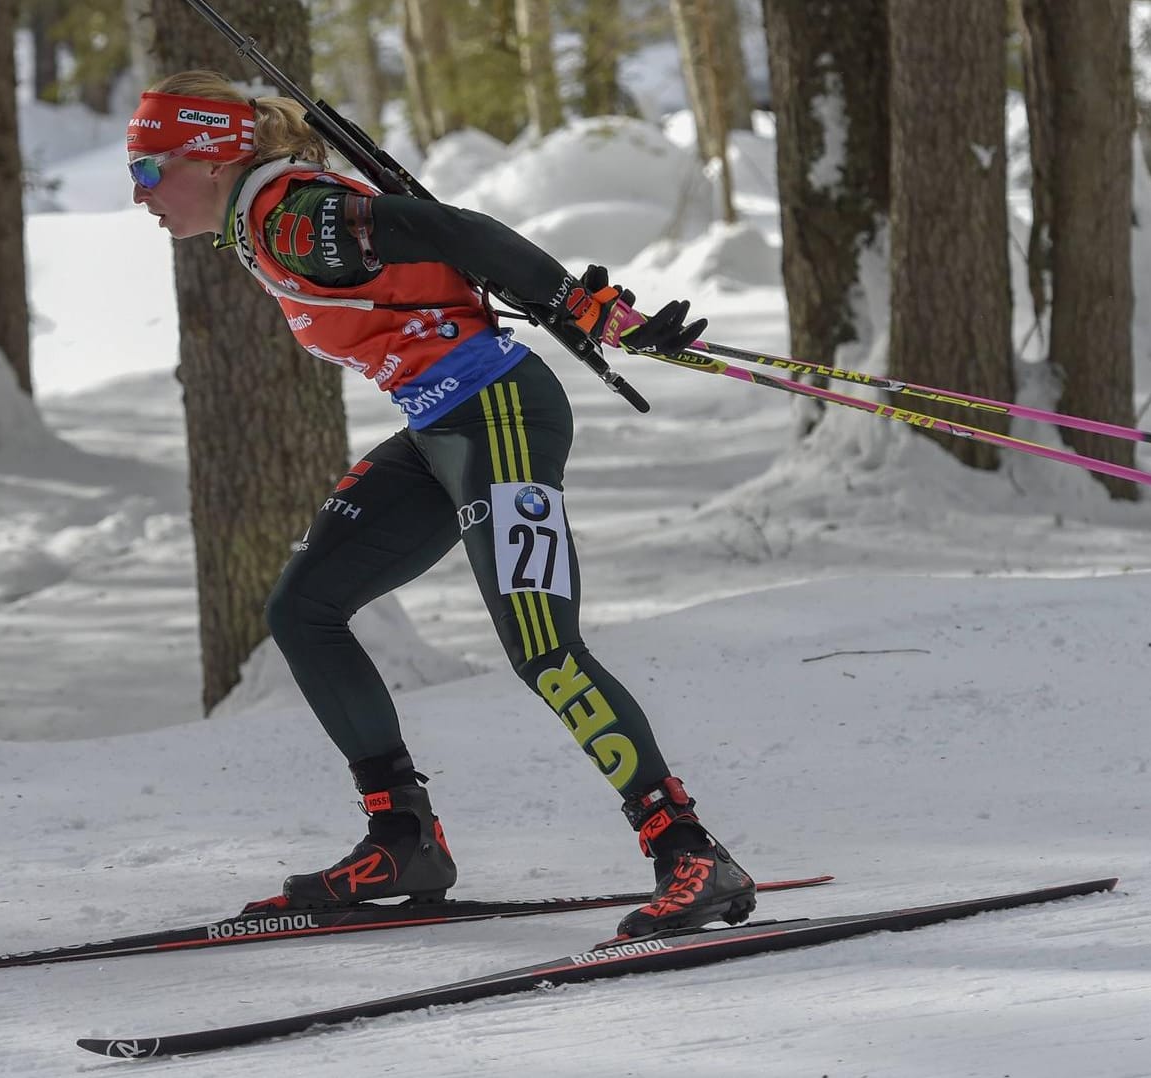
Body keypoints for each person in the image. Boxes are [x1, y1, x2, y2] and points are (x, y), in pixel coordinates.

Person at [128, 71, 755, 941]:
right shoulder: (263, 218)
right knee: (303, 610)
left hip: (497, 414)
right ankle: (403, 839)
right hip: (439, 426)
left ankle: (687, 849)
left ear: (209, 155)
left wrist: (578, 301)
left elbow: (448, 229)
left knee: (542, 646)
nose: (139, 193)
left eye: (152, 170)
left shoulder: (291, 216)